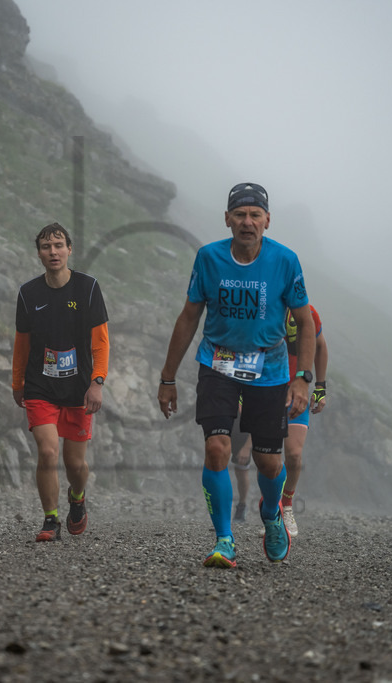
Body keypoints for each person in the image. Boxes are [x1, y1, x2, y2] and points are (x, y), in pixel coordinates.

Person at [157, 182, 315, 568]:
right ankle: (224, 539)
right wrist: (168, 377)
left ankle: (271, 513)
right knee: (216, 449)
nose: (248, 222)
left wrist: (304, 378)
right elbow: (189, 316)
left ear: (267, 221)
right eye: (240, 214)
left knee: (269, 464)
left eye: (255, 215)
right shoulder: (208, 258)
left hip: (270, 369)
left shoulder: (286, 260)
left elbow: (305, 322)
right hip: (217, 364)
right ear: (227, 219)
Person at [12, 222, 110, 542]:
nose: (52, 252)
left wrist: (97, 382)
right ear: (38, 253)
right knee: (48, 451)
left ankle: (77, 498)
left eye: (58, 246)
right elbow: (22, 344)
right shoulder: (28, 293)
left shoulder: (88, 288)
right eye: (45, 247)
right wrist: (17, 383)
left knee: (75, 464)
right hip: (40, 386)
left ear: (69, 249)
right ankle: (50, 519)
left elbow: (100, 342)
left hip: (79, 388)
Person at [233, 305, 328, 538]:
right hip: (269, 388)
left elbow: (321, 346)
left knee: (294, 454)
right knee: (268, 460)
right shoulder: (260, 311)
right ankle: (271, 506)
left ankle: (286, 504)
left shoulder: (307, 312)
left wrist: (320, 388)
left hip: (297, 391)